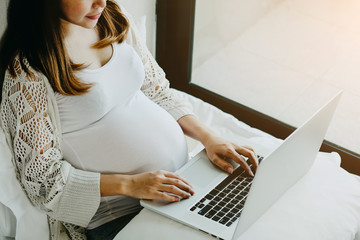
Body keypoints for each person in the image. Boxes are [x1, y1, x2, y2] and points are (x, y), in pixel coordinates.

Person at [0, 0, 258, 239]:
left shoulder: (112, 18)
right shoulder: (29, 71)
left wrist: (209, 138)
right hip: (120, 215)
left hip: (183, 184)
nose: (100, 2)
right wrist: (133, 184)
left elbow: (157, 91)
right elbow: (44, 182)